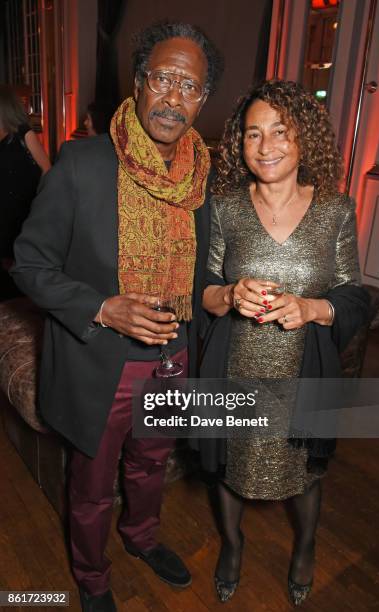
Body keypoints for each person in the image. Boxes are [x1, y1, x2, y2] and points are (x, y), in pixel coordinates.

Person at [12, 22, 222, 612]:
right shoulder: (82, 164)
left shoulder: (203, 180)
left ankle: (141, 539)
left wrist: (225, 296)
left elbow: (202, 276)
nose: (174, 97)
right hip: (99, 363)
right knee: (91, 488)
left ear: (202, 100)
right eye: (163, 79)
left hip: (174, 359)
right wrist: (103, 306)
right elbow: (29, 263)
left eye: (190, 86)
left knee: (152, 465)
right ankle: (92, 576)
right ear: (139, 83)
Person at [200, 80, 369, 605]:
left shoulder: (336, 210)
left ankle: (306, 548)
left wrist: (314, 307)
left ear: (303, 140)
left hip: (305, 368)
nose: (266, 145)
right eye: (253, 133)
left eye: (280, 131)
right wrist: (228, 293)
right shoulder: (224, 208)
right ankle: (232, 546)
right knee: (228, 468)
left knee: (306, 469)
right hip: (235, 364)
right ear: (239, 144)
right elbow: (201, 292)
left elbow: (355, 296)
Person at [0, 84, 51, 299]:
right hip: (2, 208)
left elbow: (47, 169)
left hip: (23, 208)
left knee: (18, 261)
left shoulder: (23, 134)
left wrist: (41, 203)